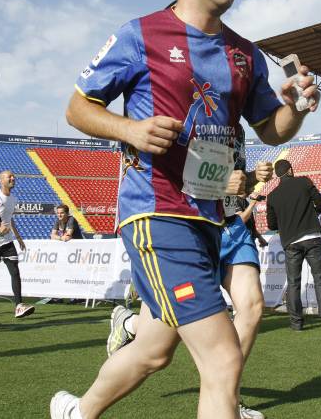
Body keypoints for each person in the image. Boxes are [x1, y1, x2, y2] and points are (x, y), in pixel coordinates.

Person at [52, 0, 320, 419]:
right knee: (222, 358)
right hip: (157, 214)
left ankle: (77, 413)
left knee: (155, 350)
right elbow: (77, 108)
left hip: (212, 220)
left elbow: (271, 130)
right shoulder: (140, 34)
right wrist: (129, 130)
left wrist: (296, 106)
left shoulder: (244, 53)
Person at [104, 129, 274, 419]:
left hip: (233, 226)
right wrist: (223, 183)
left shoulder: (235, 125)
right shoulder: (182, 112)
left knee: (253, 307)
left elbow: (236, 181)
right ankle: (129, 323)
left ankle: (227, 394)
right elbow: (168, 175)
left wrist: (252, 177)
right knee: (155, 346)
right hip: (189, 228)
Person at [266, 159, 321, 332]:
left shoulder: (272, 196)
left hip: (290, 242)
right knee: (320, 279)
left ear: (277, 175)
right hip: (311, 236)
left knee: (293, 282)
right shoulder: (304, 182)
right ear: (290, 170)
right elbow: (320, 203)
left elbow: (272, 225)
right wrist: (311, 212)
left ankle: (296, 323)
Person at [0, 170, 34, 318]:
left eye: (13, 176)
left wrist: (18, 237)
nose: (13, 178)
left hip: (7, 241)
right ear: (1, 180)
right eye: (9, 177)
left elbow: (9, 218)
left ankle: (19, 306)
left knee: (15, 271)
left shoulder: (13, 199)